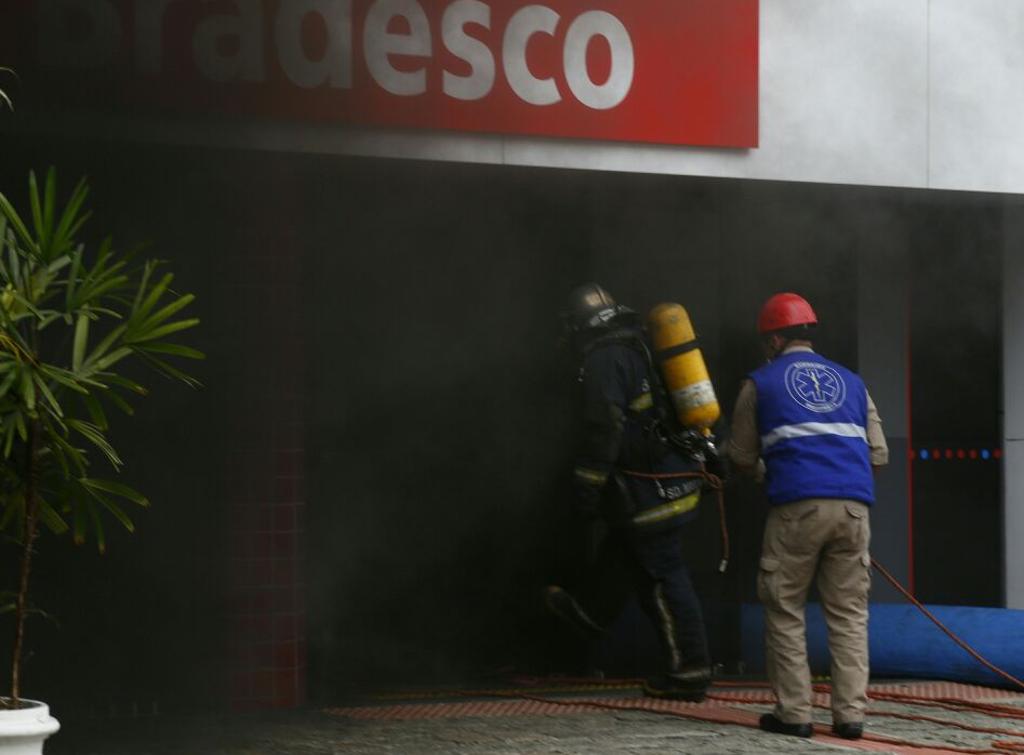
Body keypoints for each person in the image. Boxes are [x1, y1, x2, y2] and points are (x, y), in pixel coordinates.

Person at [728, 292, 888, 740]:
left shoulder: (760, 383)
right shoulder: (853, 383)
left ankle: (795, 714)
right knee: (850, 614)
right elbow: (879, 453)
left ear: (775, 338)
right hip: (855, 510)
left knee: (784, 607)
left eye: (767, 340)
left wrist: (763, 469)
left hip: (797, 510)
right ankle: (850, 716)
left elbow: (740, 456)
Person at [546, 282, 716, 701]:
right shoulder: (643, 348)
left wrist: (586, 489)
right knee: (627, 551)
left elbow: (604, 428)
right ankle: (588, 614)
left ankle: (690, 670)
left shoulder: (604, 359)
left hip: (647, 491)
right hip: (673, 481)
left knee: (662, 573)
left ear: (583, 325)